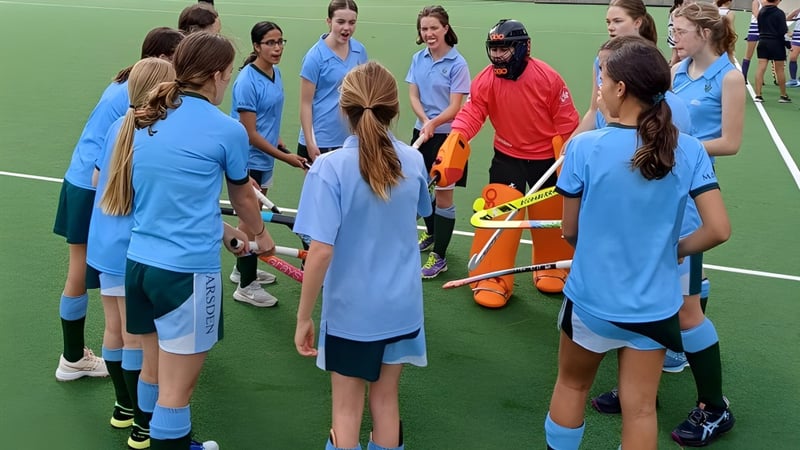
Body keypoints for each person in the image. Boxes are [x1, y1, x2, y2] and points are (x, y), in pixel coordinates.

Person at [544, 35, 731, 450]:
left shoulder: (584, 147)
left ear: (621, 89)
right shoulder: (691, 149)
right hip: (656, 306)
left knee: (571, 388)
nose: (599, 87)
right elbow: (718, 229)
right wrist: (675, 250)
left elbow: (570, 231)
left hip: (592, 301)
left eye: (603, 79)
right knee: (641, 409)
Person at [103, 31, 275, 450]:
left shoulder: (144, 119)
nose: (229, 82)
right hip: (187, 276)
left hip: (139, 267)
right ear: (216, 75)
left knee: (153, 371)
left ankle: (149, 435)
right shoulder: (226, 129)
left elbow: (177, 197)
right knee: (177, 393)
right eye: (229, 74)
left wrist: (228, 234)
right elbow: (242, 197)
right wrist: (261, 236)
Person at [593, 4, 744, 446]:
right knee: (649, 299)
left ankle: (714, 408)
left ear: (704, 31)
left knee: (686, 309)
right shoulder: (675, 72)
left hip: (687, 208)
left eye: (680, 30)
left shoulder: (726, 77)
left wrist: (667, 145)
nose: (673, 37)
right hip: (657, 201)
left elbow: (727, 142)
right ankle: (641, 389)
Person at [293, 61, 431, 450]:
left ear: (343, 108)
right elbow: (421, 210)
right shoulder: (413, 161)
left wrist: (304, 316)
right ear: (394, 108)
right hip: (402, 306)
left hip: (352, 312)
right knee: (386, 400)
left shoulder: (329, 168)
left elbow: (319, 252)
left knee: (347, 409)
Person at [53, 26, 184, 382]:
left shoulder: (127, 82)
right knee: (84, 276)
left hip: (86, 178)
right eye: (177, 60)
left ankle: (74, 356)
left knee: (92, 279)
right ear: (160, 60)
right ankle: (72, 358)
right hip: (94, 184)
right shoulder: (137, 96)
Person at [450, 19, 579, 308]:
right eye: (494, 49)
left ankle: (551, 264)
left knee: (551, 210)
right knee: (500, 210)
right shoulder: (485, 80)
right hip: (507, 155)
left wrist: (566, 160)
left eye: (504, 49)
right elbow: (472, 114)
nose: (497, 56)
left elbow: (568, 123)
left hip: (546, 157)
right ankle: (492, 276)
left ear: (523, 48)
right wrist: (457, 138)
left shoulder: (548, 78)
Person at [87, 57, 176, 450]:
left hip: (104, 240)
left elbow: (95, 177)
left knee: (113, 329)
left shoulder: (116, 127)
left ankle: (123, 409)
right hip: (133, 248)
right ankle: (143, 426)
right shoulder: (155, 133)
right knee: (139, 340)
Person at [229, 21, 308, 307]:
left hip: (264, 157)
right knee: (249, 222)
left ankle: (241, 271)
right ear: (256, 46)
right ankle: (246, 286)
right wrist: (285, 157)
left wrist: (279, 143)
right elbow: (248, 132)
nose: (277, 48)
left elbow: (265, 121)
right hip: (248, 161)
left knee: (255, 217)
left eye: (280, 42)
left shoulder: (274, 73)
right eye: (270, 43)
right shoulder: (247, 82)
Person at [405, 5, 471, 279]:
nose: (429, 33)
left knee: (443, 196)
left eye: (434, 28)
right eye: (424, 28)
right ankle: (431, 234)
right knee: (420, 188)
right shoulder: (418, 58)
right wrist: (425, 121)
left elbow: (457, 107)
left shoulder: (458, 64)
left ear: (445, 28)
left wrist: (434, 123)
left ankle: (440, 256)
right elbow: (413, 95)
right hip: (423, 132)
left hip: (449, 139)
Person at [573, 0, 691, 139]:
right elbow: (594, 110)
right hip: (607, 139)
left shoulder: (652, 63)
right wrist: (571, 142)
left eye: (618, 21)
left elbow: (643, 125)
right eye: (608, 22)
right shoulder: (601, 60)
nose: (611, 27)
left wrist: (610, 121)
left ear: (637, 22)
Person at [297, 0, 368, 162]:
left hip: (351, 139)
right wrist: (310, 142)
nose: (347, 28)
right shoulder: (315, 57)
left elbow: (364, 93)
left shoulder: (359, 50)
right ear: (329, 21)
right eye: (340, 22)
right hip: (321, 141)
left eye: (352, 22)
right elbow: (305, 104)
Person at [753, 0, 791, 102]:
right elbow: (783, 32)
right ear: (777, 1)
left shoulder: (761, 12)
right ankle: (783, 95)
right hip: (776, 43)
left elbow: (759, 28)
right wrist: (788, 45)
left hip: (763, 42)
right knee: (779, 70)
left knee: (761, 68)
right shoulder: (779, 13)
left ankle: (758, 95)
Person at [784, 8, 800, 87]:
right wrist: (788, 32)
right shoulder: (798, 11)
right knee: (793, 58)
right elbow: (786, 19)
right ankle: (793, 80)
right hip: (797, 37)